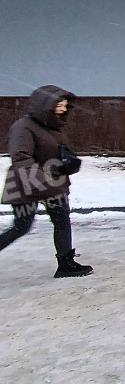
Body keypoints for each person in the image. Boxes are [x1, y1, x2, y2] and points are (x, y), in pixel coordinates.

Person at [0, 85, 92, 278]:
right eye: (59, 105)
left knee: (62, 220)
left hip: (53, 184)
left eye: (65, 106)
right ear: (45, 105)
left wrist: (68, 164)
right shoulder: (23, 127)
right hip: (25, 185)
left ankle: (65, 264)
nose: (63, 109)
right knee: (21, 227)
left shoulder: (54, 126)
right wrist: (43, 179)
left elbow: (59, 152)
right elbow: (21, 158)